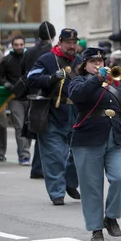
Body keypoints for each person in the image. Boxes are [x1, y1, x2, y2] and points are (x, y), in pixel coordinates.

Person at [69, 47, 121, 241]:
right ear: (84, 65)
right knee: (91, 187)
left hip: (116, 137)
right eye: (93, 62)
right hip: (88, 139)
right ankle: (96, 229)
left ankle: (110, 217)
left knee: (120, 177)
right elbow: (77, 95)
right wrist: (96, 79)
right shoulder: (79, 81)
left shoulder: (115, 83)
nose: (98, 64)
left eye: (100, 61)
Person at [27, 28, 81, 205]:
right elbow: (31, 79)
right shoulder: (47, 59)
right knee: (55, 156)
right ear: (60, 42)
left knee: (79, 155)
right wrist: (51, 78)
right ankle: (57, 192)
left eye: (74, 43)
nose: (72, 46)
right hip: (52, 113)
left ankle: (71, 184)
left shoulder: (80, 62)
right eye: (68, 43)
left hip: (76, 115)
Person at [21, 21, 56, 178]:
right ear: (53, 35)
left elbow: (24, 71)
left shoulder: (29, 52)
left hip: (32, 95)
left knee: (39, 130)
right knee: (46, 132)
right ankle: (39, 168)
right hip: (47, 95)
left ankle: (37, 167)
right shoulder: (52, 53)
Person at [0, 35, 31, 164]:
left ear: (24, 44)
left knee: (30, 127)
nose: (19, 47)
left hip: (30, 97)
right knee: (20, 126)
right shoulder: (7, 60)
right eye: (16, 45)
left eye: (21, 44)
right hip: (15, 98)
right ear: (12, 45)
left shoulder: (29, 58)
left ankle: (22, 149)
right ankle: (24, 155)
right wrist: (5, 83)